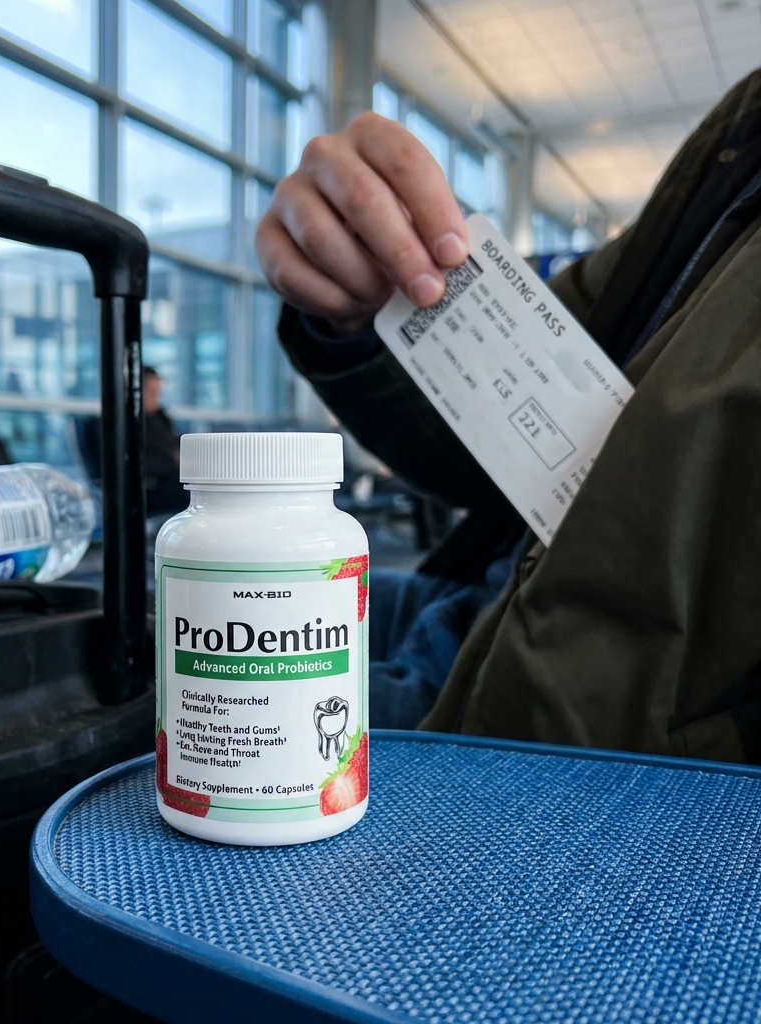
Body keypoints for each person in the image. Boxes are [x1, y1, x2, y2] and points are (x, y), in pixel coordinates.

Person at [256, 69, 761, 763]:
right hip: (475, 616)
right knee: (149, 647)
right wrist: (356, 313)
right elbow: (490, 441)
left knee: (150, 723)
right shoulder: (742, 134)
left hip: (568, 751)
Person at [143, 366, 186, 517]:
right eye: (151, 392)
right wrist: (173, 461)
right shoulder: (127, 424)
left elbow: (175, 443)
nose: (156, 397)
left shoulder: (161, 418)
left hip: (172, 479)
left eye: (158, 392)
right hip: (152, 488)